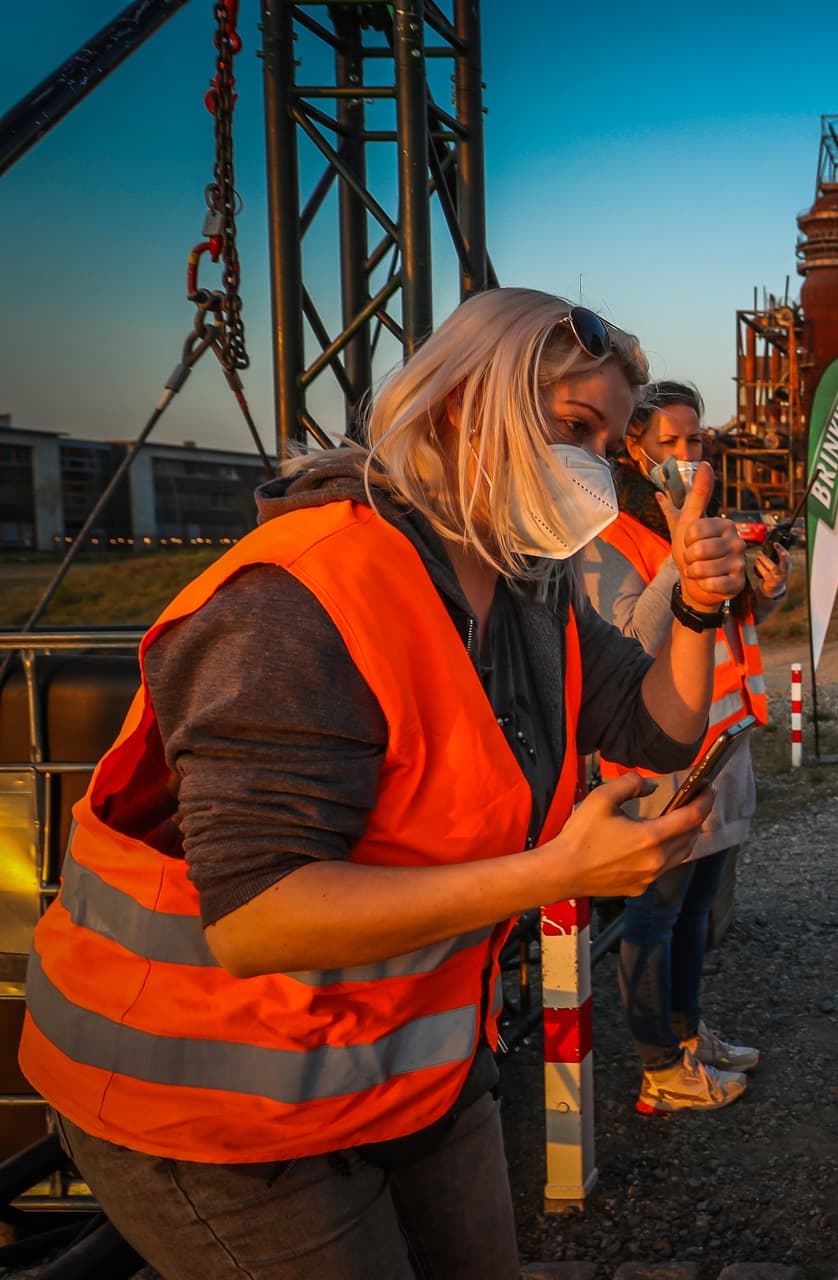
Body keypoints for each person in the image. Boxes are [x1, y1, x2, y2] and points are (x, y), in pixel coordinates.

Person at [18, 287, 749, 1278]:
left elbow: (655, 728)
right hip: (212, 1101)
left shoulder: (530, 594)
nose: (593, 466)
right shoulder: (300, 595)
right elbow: (258, 916)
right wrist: (554, 872)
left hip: (410, 1064)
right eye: (574, 427)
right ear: (463, 404)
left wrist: (699, 611)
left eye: (606, 444)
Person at [593, 379, 790, 1113]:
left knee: (699, 907)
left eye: (695, 440)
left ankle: (687, 1034)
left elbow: (732, 619)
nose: (686, 455)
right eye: (669, 443)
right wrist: (684, 550)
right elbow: (636, 638)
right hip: (655, 760)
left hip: (719, 748)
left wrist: (766, 588)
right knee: (656, 911)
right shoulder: (609, 535)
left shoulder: (709, 524)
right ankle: (658, 1070)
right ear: (633, 451)